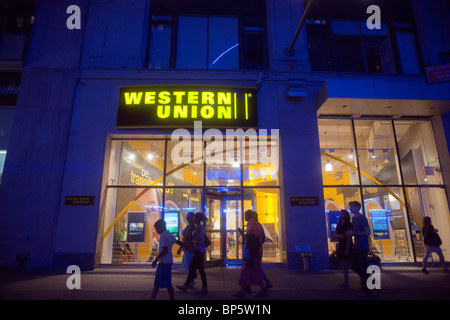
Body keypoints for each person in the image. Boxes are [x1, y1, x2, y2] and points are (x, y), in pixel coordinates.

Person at [232, 210, 266, 297]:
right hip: (255, 251)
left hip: (252, 252)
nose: (244, 217)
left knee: (246, 270)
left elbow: (251, 238)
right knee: (256, 269)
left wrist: (242, 234)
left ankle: (243, 290)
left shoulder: (251, 223)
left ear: (249, 216)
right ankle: (257, 289)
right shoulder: (255, 223)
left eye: (245, 215)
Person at [150, 219, 183, 300]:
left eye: (157, 228)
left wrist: (156, 259)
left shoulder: (164, 236)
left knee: (167, 283)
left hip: (164, 262)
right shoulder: (168, 234)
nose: (156, 231)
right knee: (157, 283)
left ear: (161, 227)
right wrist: (184, 246)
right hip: (166, 262)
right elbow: (177, 241)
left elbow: (165, 250)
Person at [177, 212, 208, 294]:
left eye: (193, 217)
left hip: (198, 251)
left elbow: (198, 241)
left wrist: (193, 241)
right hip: (199, 251)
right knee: (192, 269)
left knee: (200, 270)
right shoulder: (199, 227)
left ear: (196, 219)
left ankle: (203, 287)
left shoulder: (197, 228)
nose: (192, 218)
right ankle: (187, 285)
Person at [347, 201, 371, 297]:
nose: (351, 208)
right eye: (350, 206)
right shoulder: (353, 218)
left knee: (362, 267)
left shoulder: (362, 218)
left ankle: (366, 289)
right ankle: (367, 279)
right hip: (356, 245)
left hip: (362, 246)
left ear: (357, 207)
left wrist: (354, 233)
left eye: (352, 206)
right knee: (354, 265)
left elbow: (367, 232)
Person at [333, 209, 353, 287]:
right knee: (343, 264)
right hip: (341, 244)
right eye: (340, 213)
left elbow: (349, 238)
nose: (340, 215)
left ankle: (362, 274)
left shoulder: (349, 224)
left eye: (342, 213)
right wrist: (340, 236)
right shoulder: (339, 224)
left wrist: (347, 249)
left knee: (347, 263)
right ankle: (346, 281)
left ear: (346, 215)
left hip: (347, 244)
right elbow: (335, 234)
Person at [177, 212, 196, 288]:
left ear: (192, 218)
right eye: (187, 216)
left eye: (189, 216)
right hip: (187, 248)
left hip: (188, 248)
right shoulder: (190, 226)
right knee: (185, 264)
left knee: (187, 265)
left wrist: (180, 248)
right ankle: (191, 280)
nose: (187, 217)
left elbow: (187, 237)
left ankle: (191, 282)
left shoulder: (191, 226)